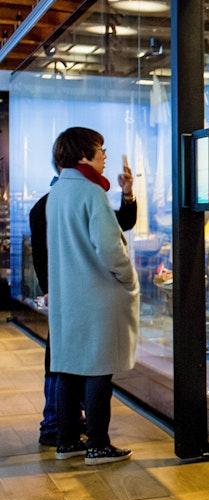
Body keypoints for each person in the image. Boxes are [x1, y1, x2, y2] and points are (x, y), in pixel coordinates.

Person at [46, 127, 140, 465]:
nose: (105, 156)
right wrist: (128, 276)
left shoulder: (58, 192)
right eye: (101, 150)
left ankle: (66, 440)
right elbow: (110, 247)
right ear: (84, 155)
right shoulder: (91, 193)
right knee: (100, 370)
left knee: (70, 368)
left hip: (69, 295)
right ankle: (98, 444)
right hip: (99, 293)